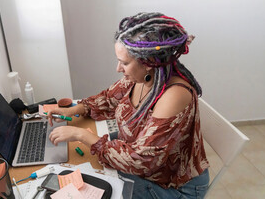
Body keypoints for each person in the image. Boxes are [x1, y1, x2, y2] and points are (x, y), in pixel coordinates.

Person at [47, 12, 210, 199]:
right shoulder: (142, 77)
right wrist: (73, 110)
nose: (118, 69)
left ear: (148, 63)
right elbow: (108, 99)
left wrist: (80, 135)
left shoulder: (175, 95)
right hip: (144, 163)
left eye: (124, 62)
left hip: (172, 187)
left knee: (93, 185)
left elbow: (142, 161)